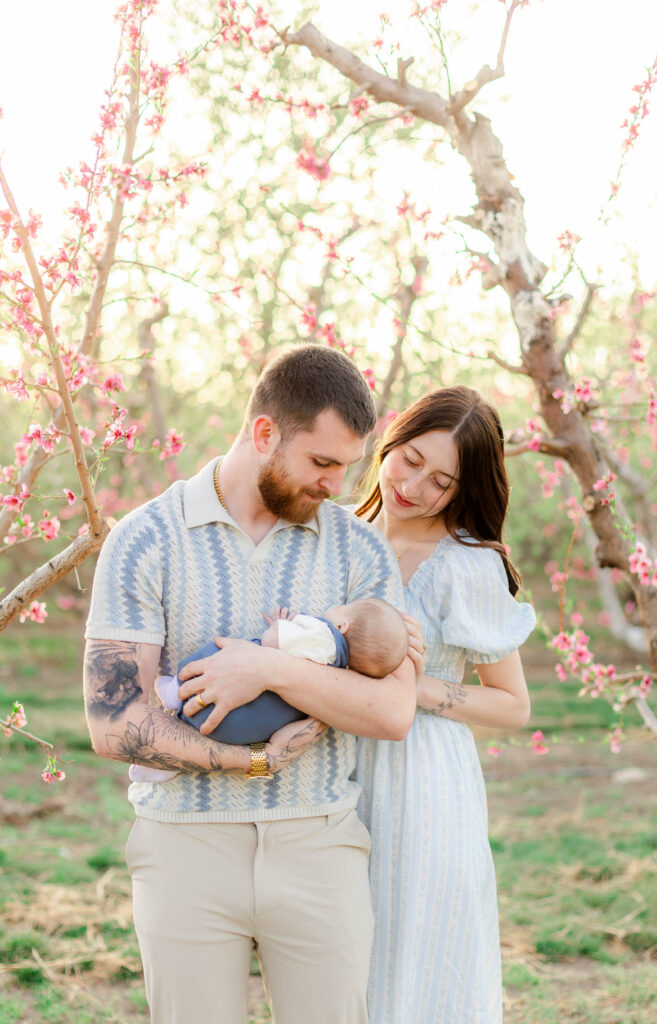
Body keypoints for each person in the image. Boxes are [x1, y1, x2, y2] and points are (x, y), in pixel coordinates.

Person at [83, 344, 416, 1024]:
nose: (334, 485)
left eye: (345, 468)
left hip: (319, 842)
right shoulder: (144, 538)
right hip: (185, 847)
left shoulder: (358, 549)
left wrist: (266, 667)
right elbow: (113, 720)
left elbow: (391, 711)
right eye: (321, 463)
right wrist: (247, 760)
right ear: (264, 433)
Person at [354, 385, 536, 1024]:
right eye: (410, 459)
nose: (414, 487)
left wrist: (419, 687)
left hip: (421, 782)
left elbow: (513, 706)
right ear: (391, 439)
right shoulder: (337, 537)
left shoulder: (466, 565)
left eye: (442, 481)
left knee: (415, 958)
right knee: (341, 966)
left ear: (461, 492)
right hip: (332, 774)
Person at [129, 598, 409, 782]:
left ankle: (175, 691)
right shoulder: (340, 675)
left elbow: (271, 641)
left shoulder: (323, 633)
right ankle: (167, 765)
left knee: (227, 651)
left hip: (214, 703)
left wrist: (279, 626)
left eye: (343, 608)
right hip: (244, 733)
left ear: (342, 625)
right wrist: (265, 758)